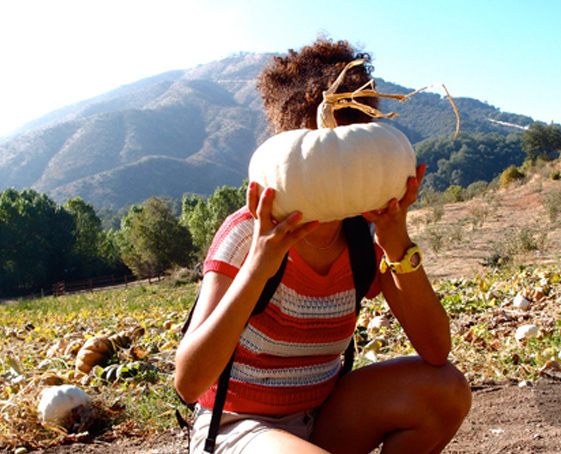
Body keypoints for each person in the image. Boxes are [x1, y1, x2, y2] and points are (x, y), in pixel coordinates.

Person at [174, 38, 471, 454]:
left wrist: (395, 240)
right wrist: (260, 264)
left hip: (323, 414)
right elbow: (189, 383)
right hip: (240, 426)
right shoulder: (249, 231)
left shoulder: (362, 235)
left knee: (445, 391)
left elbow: (437, 350)